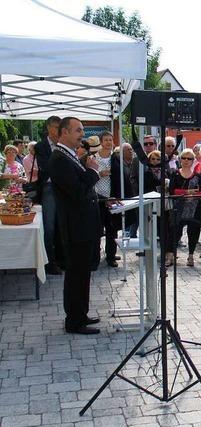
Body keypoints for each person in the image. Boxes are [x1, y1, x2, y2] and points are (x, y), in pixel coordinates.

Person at [48, 117, 101, 334]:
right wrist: (93, 172)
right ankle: (74, 321)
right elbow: (77, 192)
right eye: (78, 130)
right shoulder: (59, 158)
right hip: (76, 227)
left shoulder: (69, 155)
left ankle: (81, 314)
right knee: (76, 275)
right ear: (64, 133)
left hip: (83, 226)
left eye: (82, 130)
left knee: (83, 273)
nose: (82, 134)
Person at [167, 148, 201, 267]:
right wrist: (187, 192)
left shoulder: (197, 176)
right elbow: (172, 191)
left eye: (189, 158)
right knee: (175, 233)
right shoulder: (175, 174)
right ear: (180, 159)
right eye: (184, 158)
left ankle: (191, 256)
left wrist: (191, 194)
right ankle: (171, 255)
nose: (186, 160)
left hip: (194, 209)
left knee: (193, 232)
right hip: (179, 209)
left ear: (193, 160)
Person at [35, 115, 63, 275]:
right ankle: (49, 263)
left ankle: (61, 259)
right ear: (48, 128)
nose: (58, 131)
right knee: (49, 227)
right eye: (55, 127)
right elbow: (45, 167)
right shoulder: (41, 146)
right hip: (49, 188)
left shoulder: (62, 144)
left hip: (62, 188)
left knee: (61, 225)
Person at [93, 131, 118, 267]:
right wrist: (99, 174)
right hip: (98, 198)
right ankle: (95, 256)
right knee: (97, 229)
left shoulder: (115, 157)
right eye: (106, 140)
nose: (109, 142)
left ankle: (111, 256)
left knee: (112, 229)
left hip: (112, 197)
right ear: (101, 142)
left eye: (111, 139)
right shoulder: (93, 158)